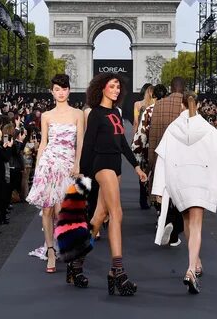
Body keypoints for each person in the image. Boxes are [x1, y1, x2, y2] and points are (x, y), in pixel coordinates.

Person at [152, 93, 217, 294]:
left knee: (188, 222)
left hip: (180, 180)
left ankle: (195, 261)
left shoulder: (172, 129)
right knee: (196, 225)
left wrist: (158, 188)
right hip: (202, 179)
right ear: (197, 105)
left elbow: (162, 158)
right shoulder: (208, 129)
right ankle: (191, 269)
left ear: (182, 105)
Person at [80, 72, 147, 296]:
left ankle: (76, 262)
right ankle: (117, 272)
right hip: (102, 165)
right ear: (101, 88)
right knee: (117, 214)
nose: (117, 90)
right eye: (112, 86)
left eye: (118, 86)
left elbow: (123, 145)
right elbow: (88, 146)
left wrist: (136, 167)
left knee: (99, 217)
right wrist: (83, 176)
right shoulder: (96, 114)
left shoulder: (116, 114)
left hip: (116, 167)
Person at [27, 74, 84, 274]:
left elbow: (80, 143)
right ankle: (51, 250)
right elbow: (43, 143)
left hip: (68, 165)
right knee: (48, 208)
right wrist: (37, 167)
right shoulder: (46, 116)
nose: (60, 93)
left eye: (64, 88)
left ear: (69, 90)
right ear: (52, 92)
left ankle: (64, 246)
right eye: (57, 89)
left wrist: (77, 164)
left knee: (63, 211)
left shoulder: (78, 114)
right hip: (49, 164)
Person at [148, 78, 186, 246]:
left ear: (171, 88)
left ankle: (164, 219)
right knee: (180, 197)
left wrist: (151, 162)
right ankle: (174, 230)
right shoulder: (188, 105)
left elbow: (153, 135)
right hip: (183, 159)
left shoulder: (159, 104)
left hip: (163, 156)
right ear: (184, 89)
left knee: (164, 193)